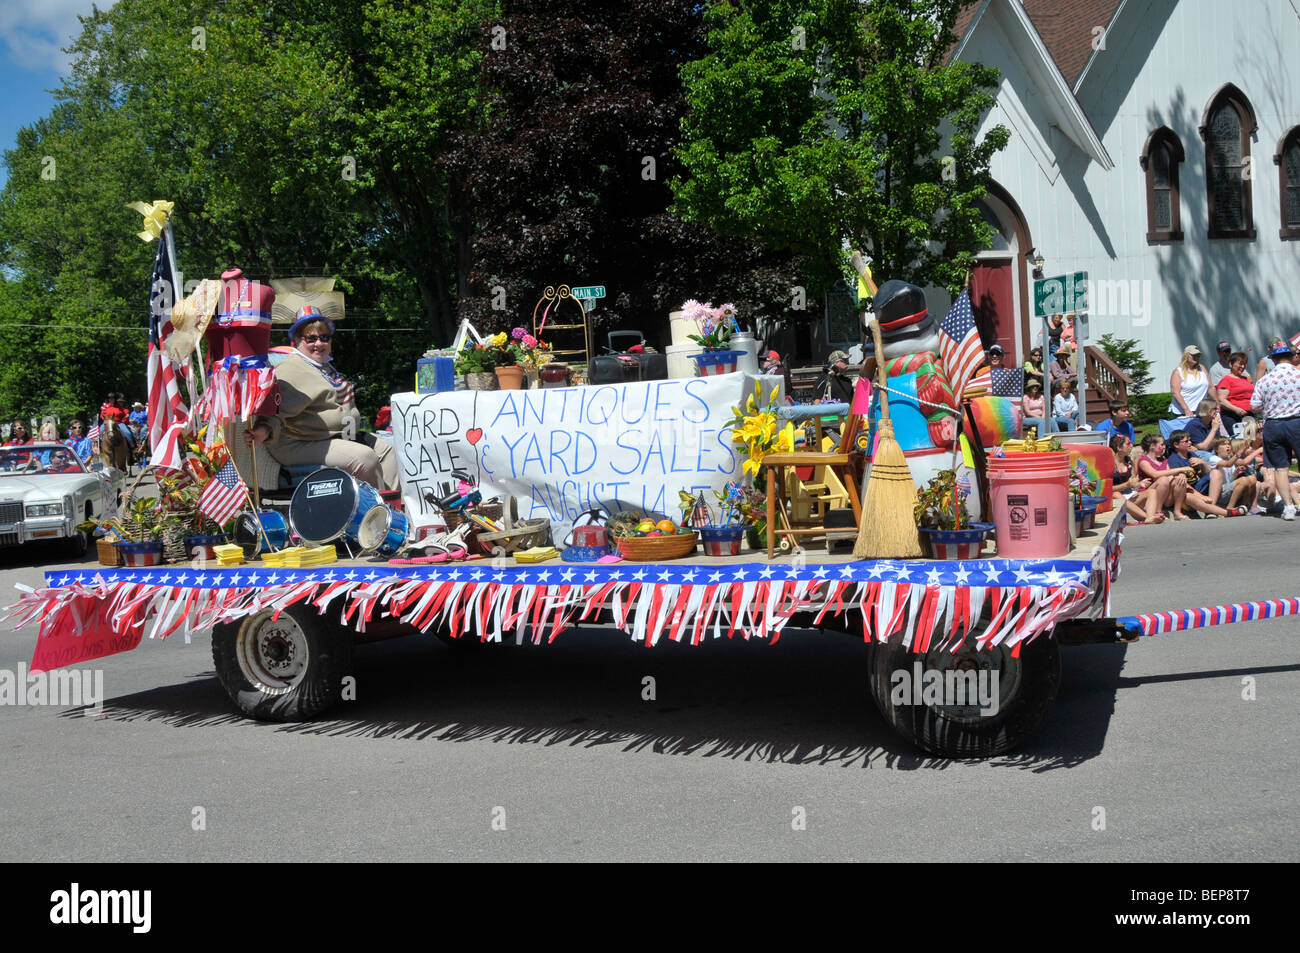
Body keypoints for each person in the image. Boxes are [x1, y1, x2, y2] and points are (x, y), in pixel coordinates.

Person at [246, 306, 398, 491]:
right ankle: (373, 512)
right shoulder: (293, 369)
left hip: (335, 437)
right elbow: (275, 411)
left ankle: (393, 507)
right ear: (297, 341)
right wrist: (264, 430)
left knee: (387, 450)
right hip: (300, 443)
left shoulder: (322, 367)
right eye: (311, 338)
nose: (319, 343)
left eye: (324, 337)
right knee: (365, 459)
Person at [1249, 340, 1300, 520]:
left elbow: (1254, 405)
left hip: (1274, 425)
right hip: (1296, 422)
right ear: (1292, 357)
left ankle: (1288, 507)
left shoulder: (1265, 380)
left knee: (1281, 468)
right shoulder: (1298, 374)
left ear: (1273, 359)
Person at [1216, 350, 1255, 435]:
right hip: (1233, 415)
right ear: (1231, 364)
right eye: (1240, 364)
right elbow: (1221, 400)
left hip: (1249, 414)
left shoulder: (1245, 379)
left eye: (1244, 364)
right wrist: (1236, 409)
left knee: (1251, 439)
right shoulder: (1226, 380)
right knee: (1240, 440)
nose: (1243, 366)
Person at [1168, 345, 1210, 418]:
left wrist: (1217, 403)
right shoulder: (1178, 372)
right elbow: (1175, 392)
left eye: (1198, 355)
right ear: (1186, 356)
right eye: (1194, 355)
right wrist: (1186, 409)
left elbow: (1211, 387)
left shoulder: (1202, 368)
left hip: (1201, 410)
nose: (1197, 357)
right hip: (1182, 412)